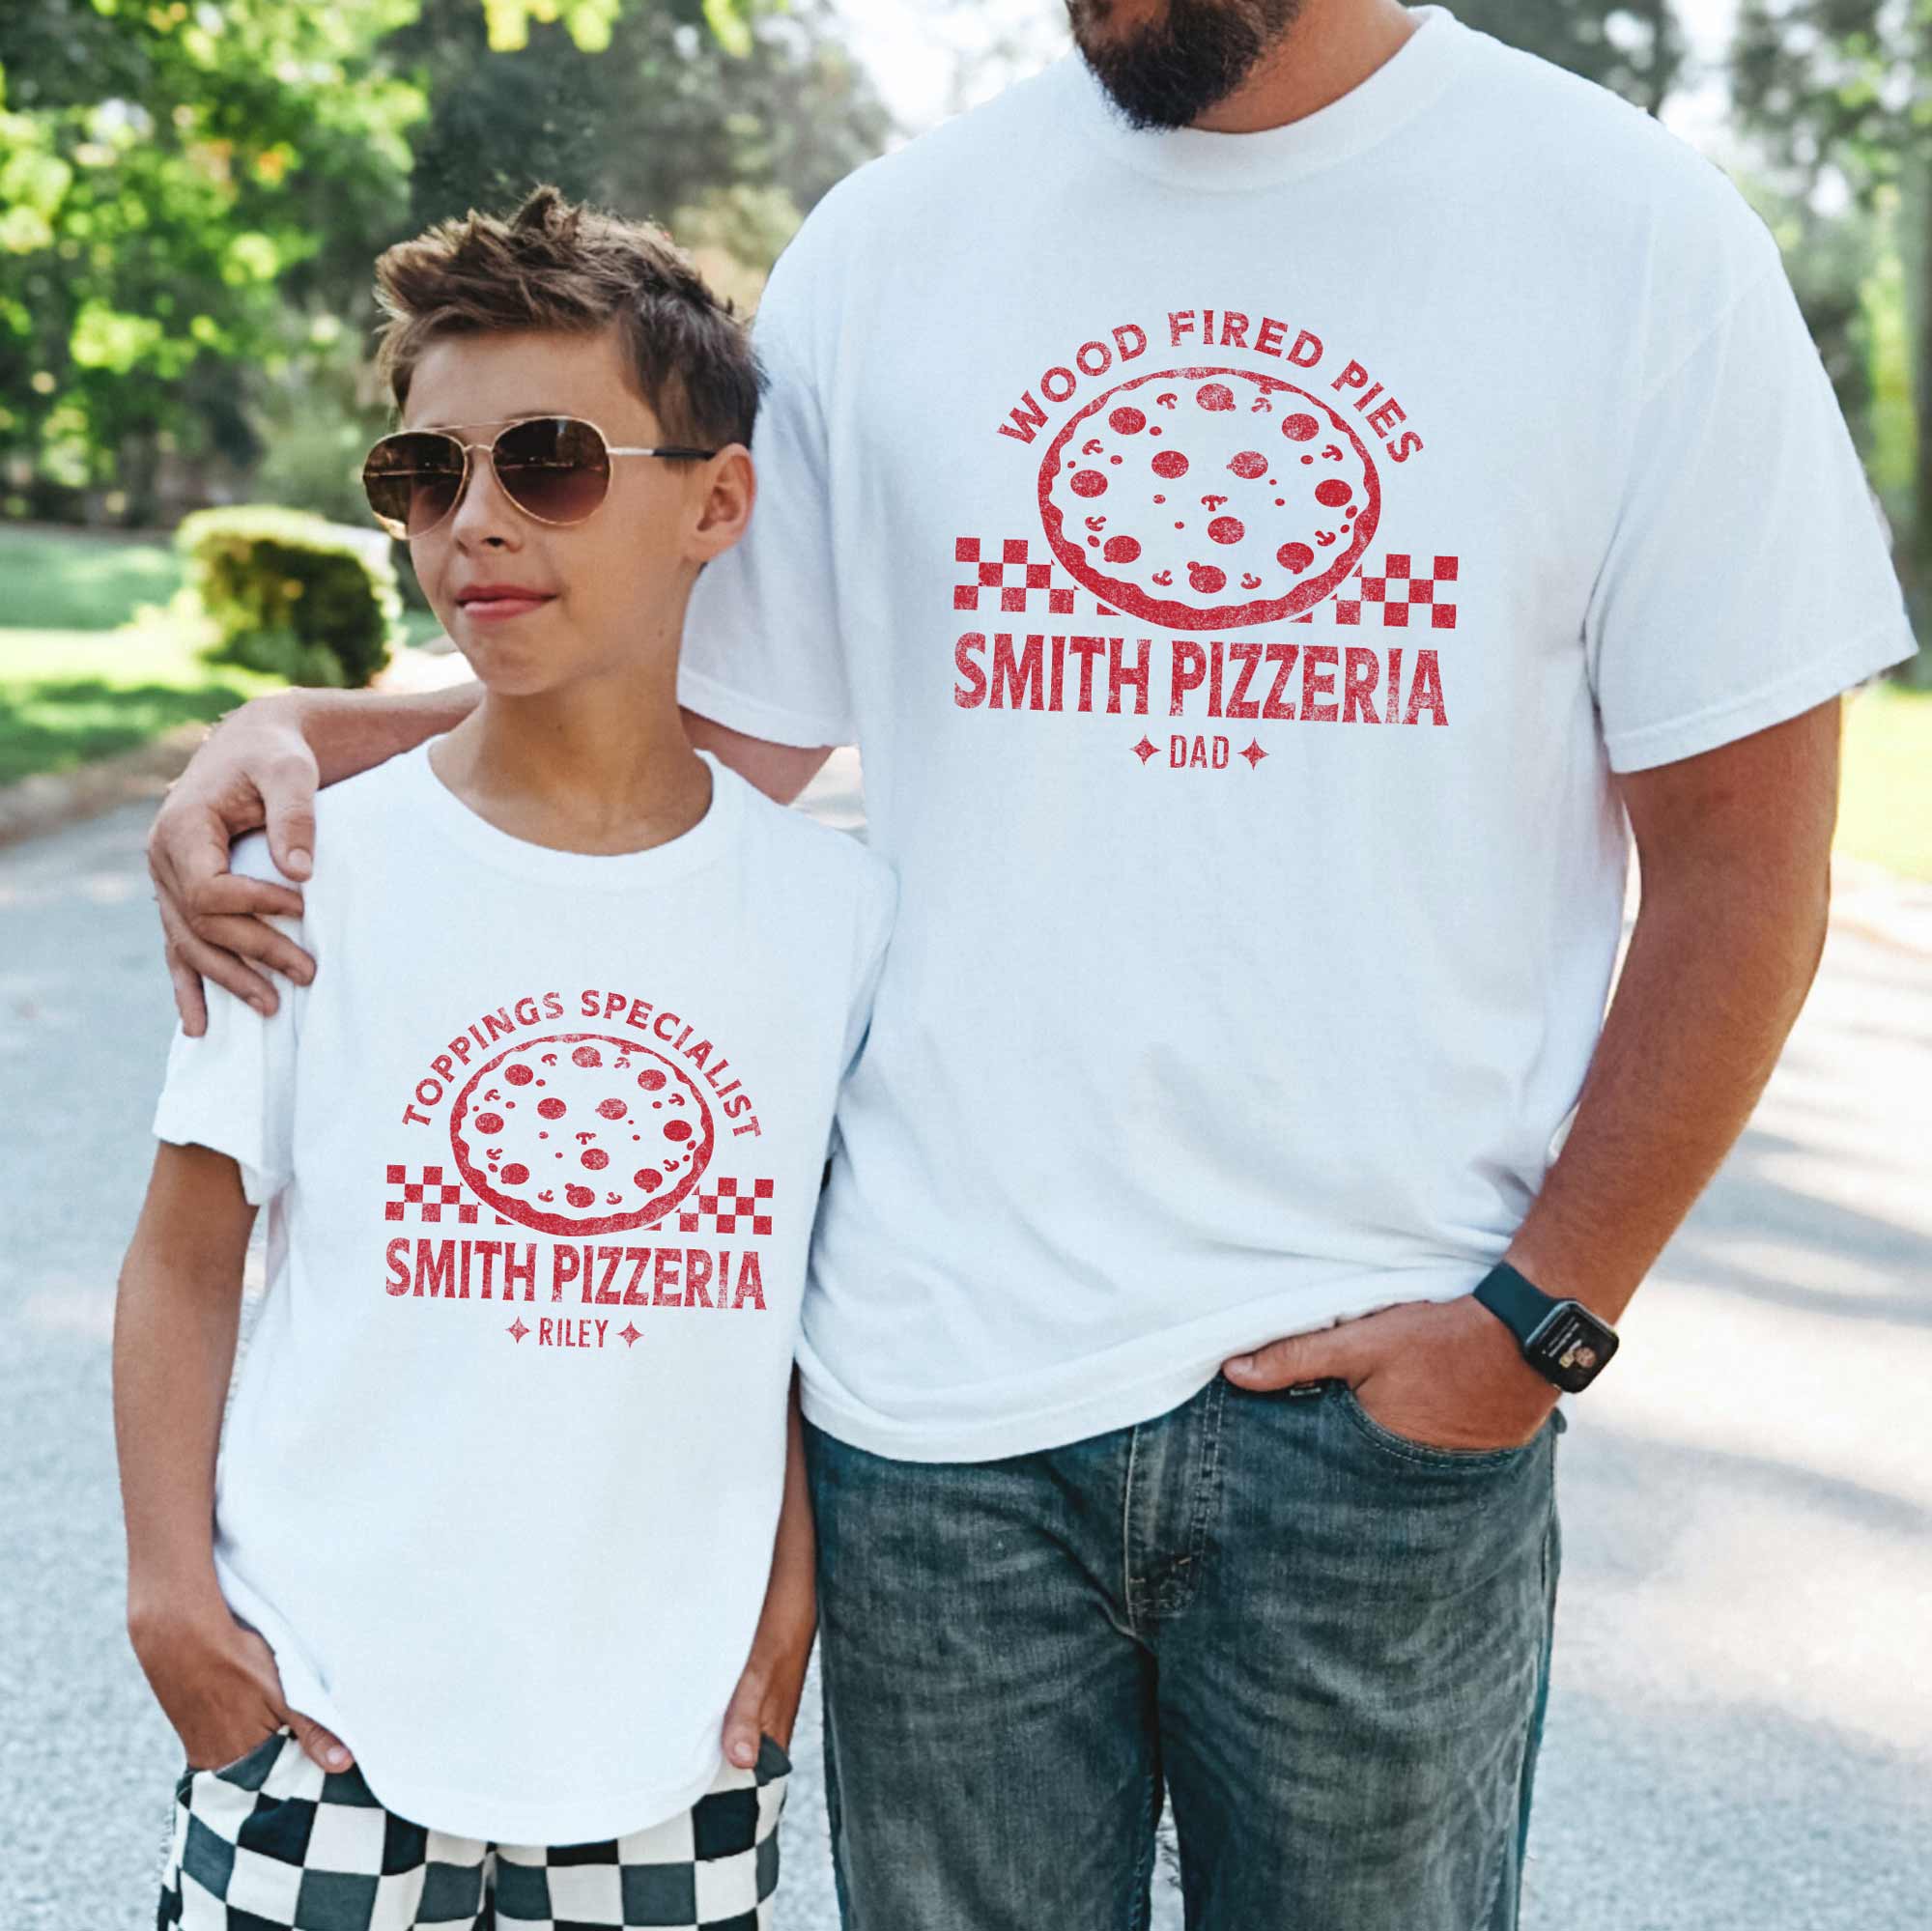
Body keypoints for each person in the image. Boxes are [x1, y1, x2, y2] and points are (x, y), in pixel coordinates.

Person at [145, 3, 1920, 1926]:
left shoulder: (1629, 236)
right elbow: (686, 731)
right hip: (940, 1429)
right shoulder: (897, 245)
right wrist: (317, 730)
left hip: (1380, 1424)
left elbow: (1746, 864)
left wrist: (1534, 1326)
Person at [118, 186, 894, 1930]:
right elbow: (184, 1252)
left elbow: (813, 1303)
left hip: (673, 1750)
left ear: (717, 501)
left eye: (546, 462)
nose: (476, 521)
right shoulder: (303, 874)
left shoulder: (832, 917)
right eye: (423, 475)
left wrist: (794, 1593)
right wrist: (171, 1599)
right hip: (321, 1726)